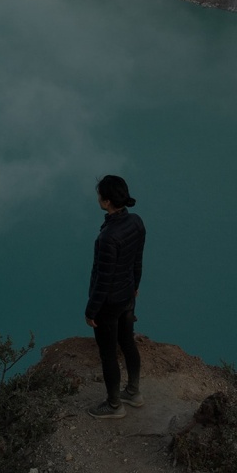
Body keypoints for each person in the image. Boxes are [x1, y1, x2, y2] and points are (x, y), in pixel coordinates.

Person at [85, 174, 146, 419]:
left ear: (107, 201)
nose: (98, 197)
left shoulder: (108, 237)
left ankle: (113, 406)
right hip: (128, 296)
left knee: (108, 354)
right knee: (128, 342)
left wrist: (91, 311)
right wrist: (135, 287)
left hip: (109, 303)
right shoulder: (136, 222)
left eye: (100, 194)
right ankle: (133, 393)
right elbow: (137, 261)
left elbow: (103, 279)